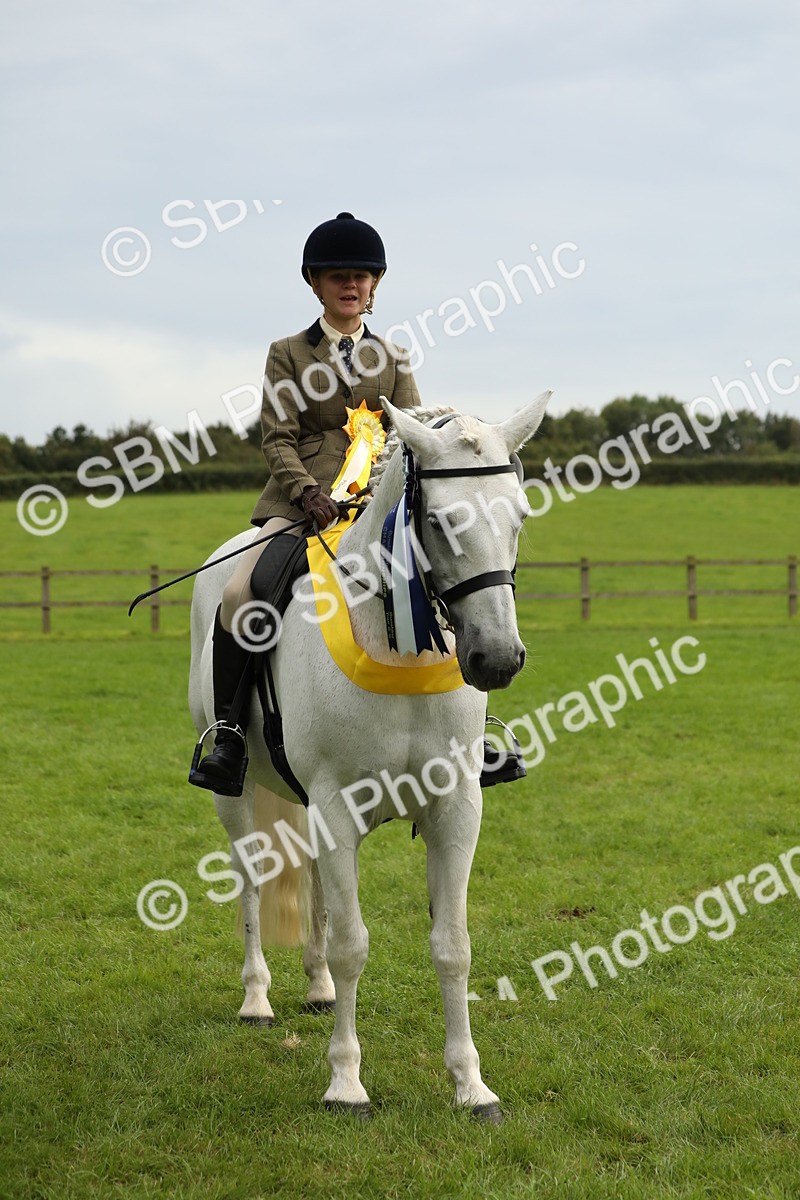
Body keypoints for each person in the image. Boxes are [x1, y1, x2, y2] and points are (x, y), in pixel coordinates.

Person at [189, 212, 421, 796]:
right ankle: (230, 734)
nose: (351, 285)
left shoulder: (393, 359)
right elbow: (277, 438)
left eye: (362, 276)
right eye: (338, 275)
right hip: (300, 505)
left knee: (448, 576)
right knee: (243, 592)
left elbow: (411, 432)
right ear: (315, 283)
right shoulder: (288, 353)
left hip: (377, 502)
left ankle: (471, 735)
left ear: (375, 285)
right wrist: (307, 493)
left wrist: (383, 493)